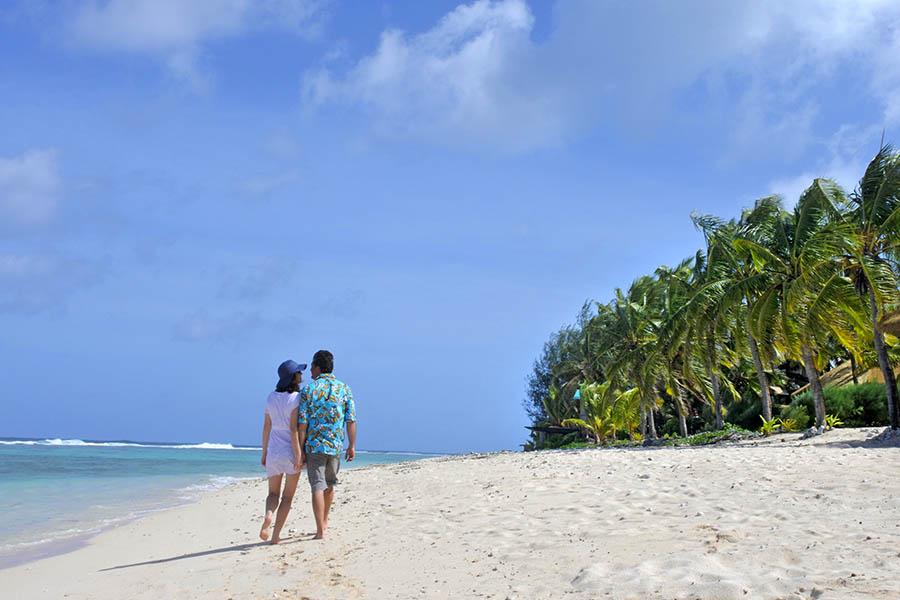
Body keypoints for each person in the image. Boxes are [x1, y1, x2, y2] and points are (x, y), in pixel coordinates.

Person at [297, 349, 356, 540]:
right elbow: (351, 420)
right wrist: (352, 445)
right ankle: (325, 521)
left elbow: (302, 423)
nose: (310, 372)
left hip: (314, 445)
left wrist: (300, 448)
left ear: (317, 366)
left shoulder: (308, 390)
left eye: (311, 367)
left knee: (317, 486)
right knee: (330, 485)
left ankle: (320, 529)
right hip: (335, 445)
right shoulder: (344, 389)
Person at [258, 359, 306, 544]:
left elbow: (266, 427)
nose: (301, 376)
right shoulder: (296, 398)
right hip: (289, 451)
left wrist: (264, 453)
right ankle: (276, 536)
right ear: (293, 377)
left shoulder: (270, 397)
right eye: (299, 373)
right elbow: (294, 429)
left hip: (273, 452)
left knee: (272, 494)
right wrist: (299, 454)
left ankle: (269, 515)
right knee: (287, 497)